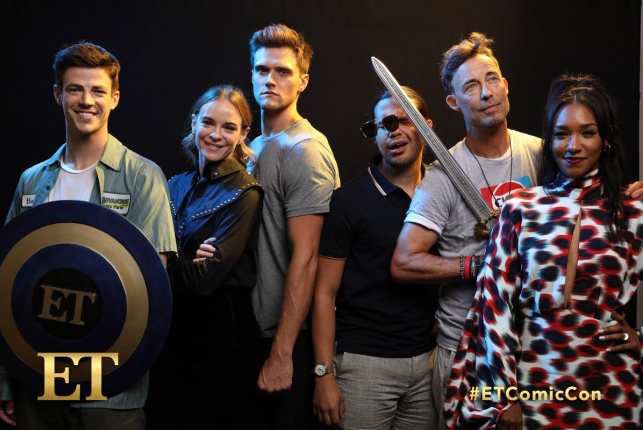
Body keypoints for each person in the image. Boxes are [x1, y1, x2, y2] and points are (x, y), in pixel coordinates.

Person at [389, 32, 643, 430]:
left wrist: (626, 197)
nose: (486, 92)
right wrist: (484, 264)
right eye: (471, 86)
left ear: (505, 85)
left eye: (491, 79)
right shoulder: (442, 178)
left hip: (553, 351)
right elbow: (403, 262)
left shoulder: (544, 151)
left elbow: (586, 205)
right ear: (454, 102)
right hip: (471, 343)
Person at [0, 41, 177, 429]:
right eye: (75, 89)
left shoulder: (142, 177)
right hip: (37, 379)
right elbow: (8, 285)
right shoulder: (32, 181)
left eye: (98, 90)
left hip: (110, 389)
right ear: (57, 95)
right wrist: (8, 378)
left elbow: (149, 291)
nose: (86, 100)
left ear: (114, 98)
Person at [311, 86, 439, 429]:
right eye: (381, 126)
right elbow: (324, 293)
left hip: (429, 362)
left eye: (402, 120)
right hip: (365, 364)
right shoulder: (348, 201)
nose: (392, 131)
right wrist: (324, 374)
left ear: (426, 127)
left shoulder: (442, 192)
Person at [248, 23, 340, 429]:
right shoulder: (256, 146)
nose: (270, 79)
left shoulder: (305, 150)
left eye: (282, 71)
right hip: (254, 334)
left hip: (290, 340)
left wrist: (282, 353)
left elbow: (308, 257)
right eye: (262, 69)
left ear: (302, 81)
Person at [162, 85, 264, 428]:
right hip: (174, 328)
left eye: (229, 127)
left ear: (243, 133)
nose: (216, 135)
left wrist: (167, 257)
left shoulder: (246, 193)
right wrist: (188, 256)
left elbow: (204, 281)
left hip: (223, 337)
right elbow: (147, 253)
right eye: (208, 123)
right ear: (194, 123)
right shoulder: (174, 184)